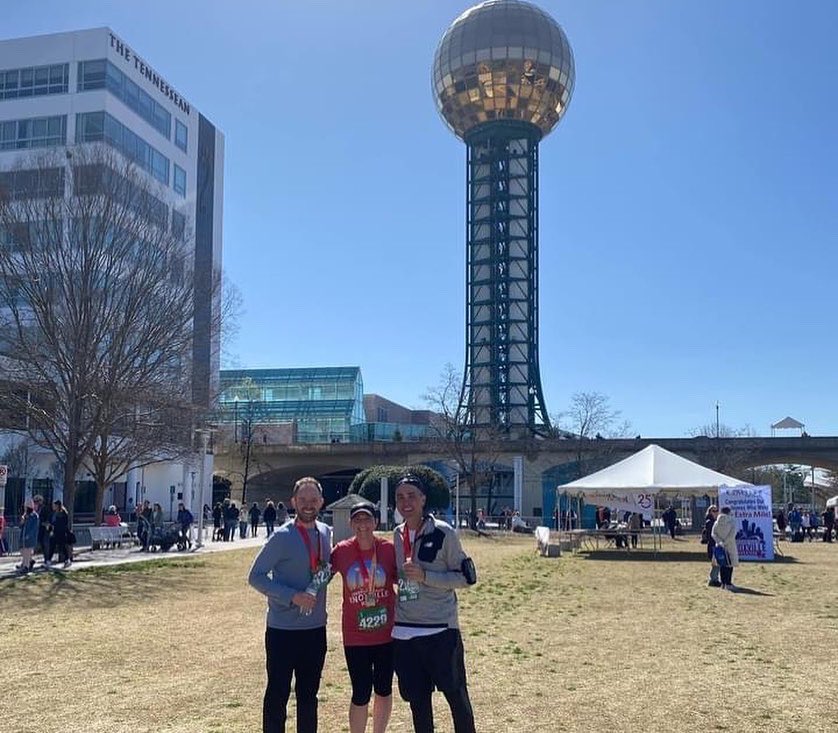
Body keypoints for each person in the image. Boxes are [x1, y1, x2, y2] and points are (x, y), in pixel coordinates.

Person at [392, 473, 477, 733]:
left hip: (440, 629)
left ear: (423, 499)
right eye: (400, 497)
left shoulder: (443, 532)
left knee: (456, 696)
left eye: (412, 496)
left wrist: (427, 576)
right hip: (404, 632)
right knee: (417, 702)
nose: (406, 502)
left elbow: (465, 578)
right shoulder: (397, 534)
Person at [248, 477, 332, 733]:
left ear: (321, 502)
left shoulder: (326, 533)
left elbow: (324, 570)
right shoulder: (281, 536)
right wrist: (292, 596)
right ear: (293, 502)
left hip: (315, 630)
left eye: (313, 500)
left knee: (309, 697)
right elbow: (256, 577)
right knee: (277, 694)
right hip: (282, 631)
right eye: (303, 500)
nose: (308, 505)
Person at [331, 501, 398, 733]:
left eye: (367, 519)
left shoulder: (388, 549)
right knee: (360, 691)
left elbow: (404, 581)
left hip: (386, 634)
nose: (362, 525)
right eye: (357, 520)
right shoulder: (341, 550)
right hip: (355, 635)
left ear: (375, 522)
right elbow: (319, 577)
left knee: (384, 688)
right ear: (350, 524)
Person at [711, 506, 739, 591]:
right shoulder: (732, 521)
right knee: (729, 565)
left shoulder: (716, 522)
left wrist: (720, 542)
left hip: (719, 546)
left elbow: (713, 534)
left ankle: (723, 583)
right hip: (730, 546)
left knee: (722, 564)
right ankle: (728, 583)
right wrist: (725, 542)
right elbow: (732, 535)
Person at [51, 499, 73, 569]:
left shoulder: (62, 513)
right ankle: (48, 560)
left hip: (61, 532)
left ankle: (67, 559)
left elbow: (61, 523)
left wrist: (53, 524)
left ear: (57, 506)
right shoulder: (56, 513)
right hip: (56, 532)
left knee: (62, 546)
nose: (53, 506)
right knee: (56, 546)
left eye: (54, 505)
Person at [703, 505, 721, 587]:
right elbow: (711, 535)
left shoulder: (714, 521)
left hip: (715, 544)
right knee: (715, 563)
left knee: (717, 563)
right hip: (713, 545)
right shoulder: (710, 522)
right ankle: (713, 580)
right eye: (714, 511)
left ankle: (715, 579)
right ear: (710, 512)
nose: (716, 512)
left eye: (717, 510)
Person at [18, 504, 39, 573]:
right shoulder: (25, 515)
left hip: (30, 537)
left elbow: (34, 527)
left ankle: (26, 566)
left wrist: (29, 535)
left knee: (27, 551)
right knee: (22, 550)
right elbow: (20, 526)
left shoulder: (34, 516)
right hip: (23, 535)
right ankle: (30, 561)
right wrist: (22, 521)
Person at [33, 495, 53, 567]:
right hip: (38, 529)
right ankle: (29, 561)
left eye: (37, 501)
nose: (36, 503)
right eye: (35, 502)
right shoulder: (35, 510)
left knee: (45, 545)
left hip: (44, 529)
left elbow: (48, 519)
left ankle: (47, 560)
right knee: (39, 544)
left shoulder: (45, 509)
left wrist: (46, 524)